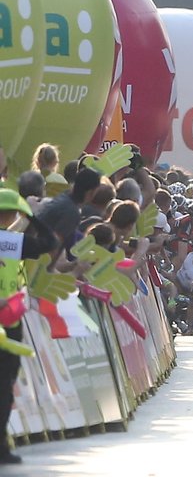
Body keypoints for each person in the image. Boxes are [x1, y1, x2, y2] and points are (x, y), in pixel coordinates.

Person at [0, 189, 59, 464]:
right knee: (5, 383)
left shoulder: (10, 241)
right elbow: (49, 241)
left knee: (5, 383)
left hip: (10, 319)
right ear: (14, 214)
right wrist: (32, 216)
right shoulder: (10, 242)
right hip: (9, 322)